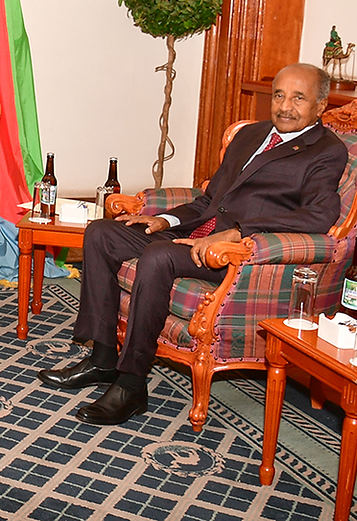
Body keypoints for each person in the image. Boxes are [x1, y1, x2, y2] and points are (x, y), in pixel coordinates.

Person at [38, 62, 348, 425]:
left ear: (320, 106)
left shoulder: (325, 150)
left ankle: (132, 383)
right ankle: (103, 358)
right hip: (197, 233)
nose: (285, 106)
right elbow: (210, 199)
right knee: (101, 233)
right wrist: (164, 219)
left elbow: (318, 217)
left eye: (299, 98)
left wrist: (241, 231)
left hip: (237, 256)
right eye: (279, 95)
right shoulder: (253, 134)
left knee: (158, 256)